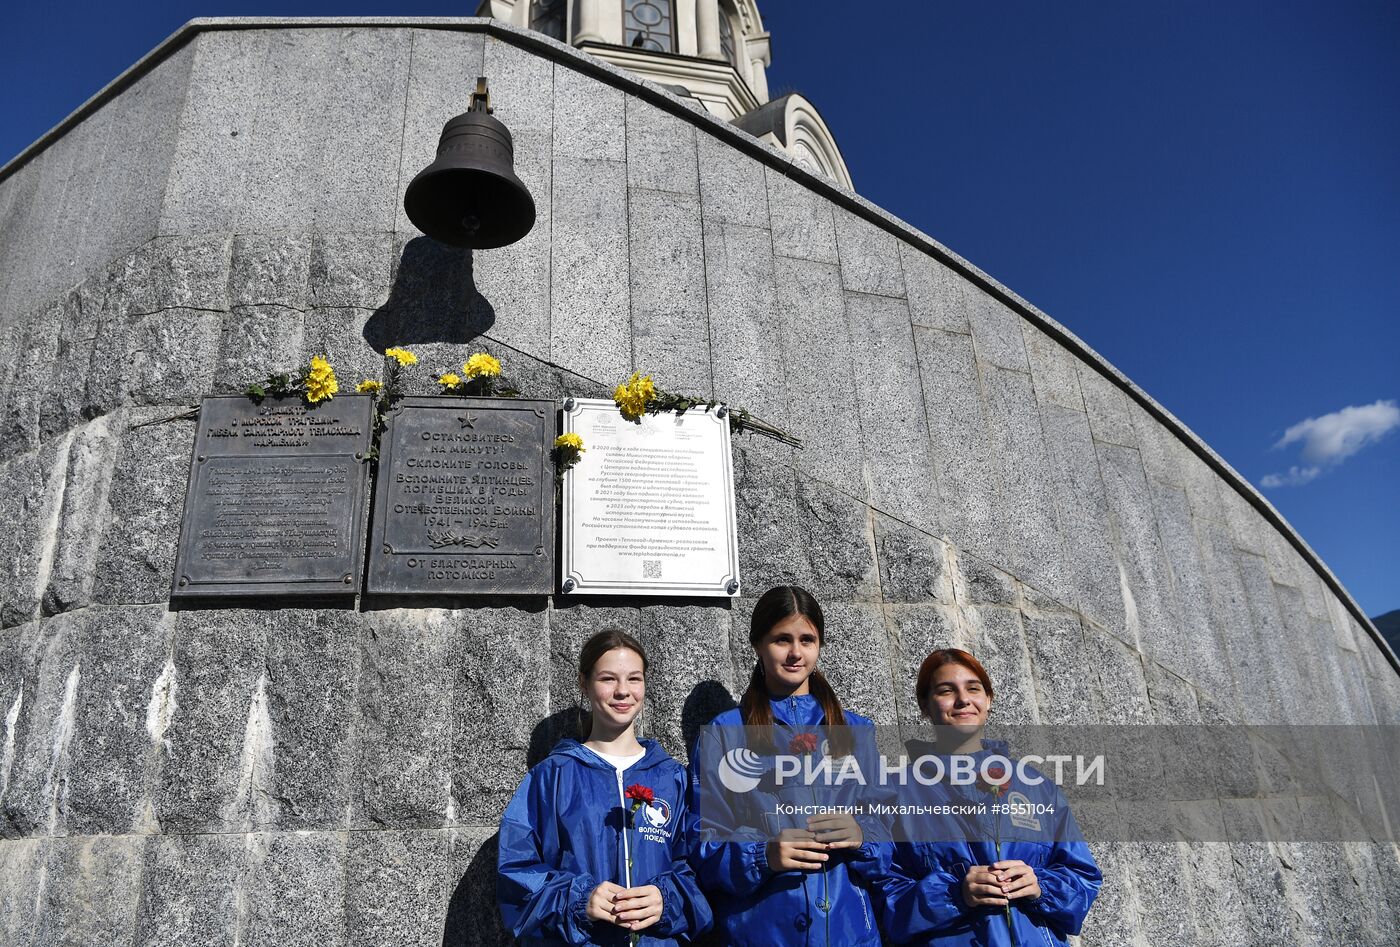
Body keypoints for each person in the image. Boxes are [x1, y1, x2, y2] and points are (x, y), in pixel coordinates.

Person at [687, 585, 885, 947]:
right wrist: (762, 855)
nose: (796, 653)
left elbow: (893, 831)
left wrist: (862, 835)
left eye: (807, 640)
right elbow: (701, 841)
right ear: (758, 644)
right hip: (759, 932)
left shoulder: (858, 731)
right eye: (782, 639)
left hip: (849, 932)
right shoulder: (724, 733)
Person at [498, 629, 712, 945]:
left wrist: (667, 900)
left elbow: (705, 872)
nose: (623, 691)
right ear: (584, 684)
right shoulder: (551, 776)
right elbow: (515, 873)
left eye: (634, 679)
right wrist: (578, 900)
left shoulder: (674, 778)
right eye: (608, 679)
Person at [876, 649, 1101, 946]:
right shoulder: (896, 793)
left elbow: (1083, 877)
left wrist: (1040, 886)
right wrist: (954, 893)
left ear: (989, 700)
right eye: (946, 691)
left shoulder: (1036, 787)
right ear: (925, 706)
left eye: (973, 688)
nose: (963, 700)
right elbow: (881, 898)